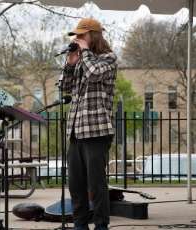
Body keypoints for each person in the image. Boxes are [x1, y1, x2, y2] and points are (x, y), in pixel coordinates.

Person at [62, 18, 117, 230]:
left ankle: (101, 225)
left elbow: (94, 75)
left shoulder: (108, 58)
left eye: (81, 35)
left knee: (96, 185)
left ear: (93, 36)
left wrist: (84, 54)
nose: (77, 39)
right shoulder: (81, 60)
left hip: (96, 131)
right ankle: (80, 225)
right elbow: (65, 87)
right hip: (76, 131)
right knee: (76, 185)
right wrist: (70, 63)